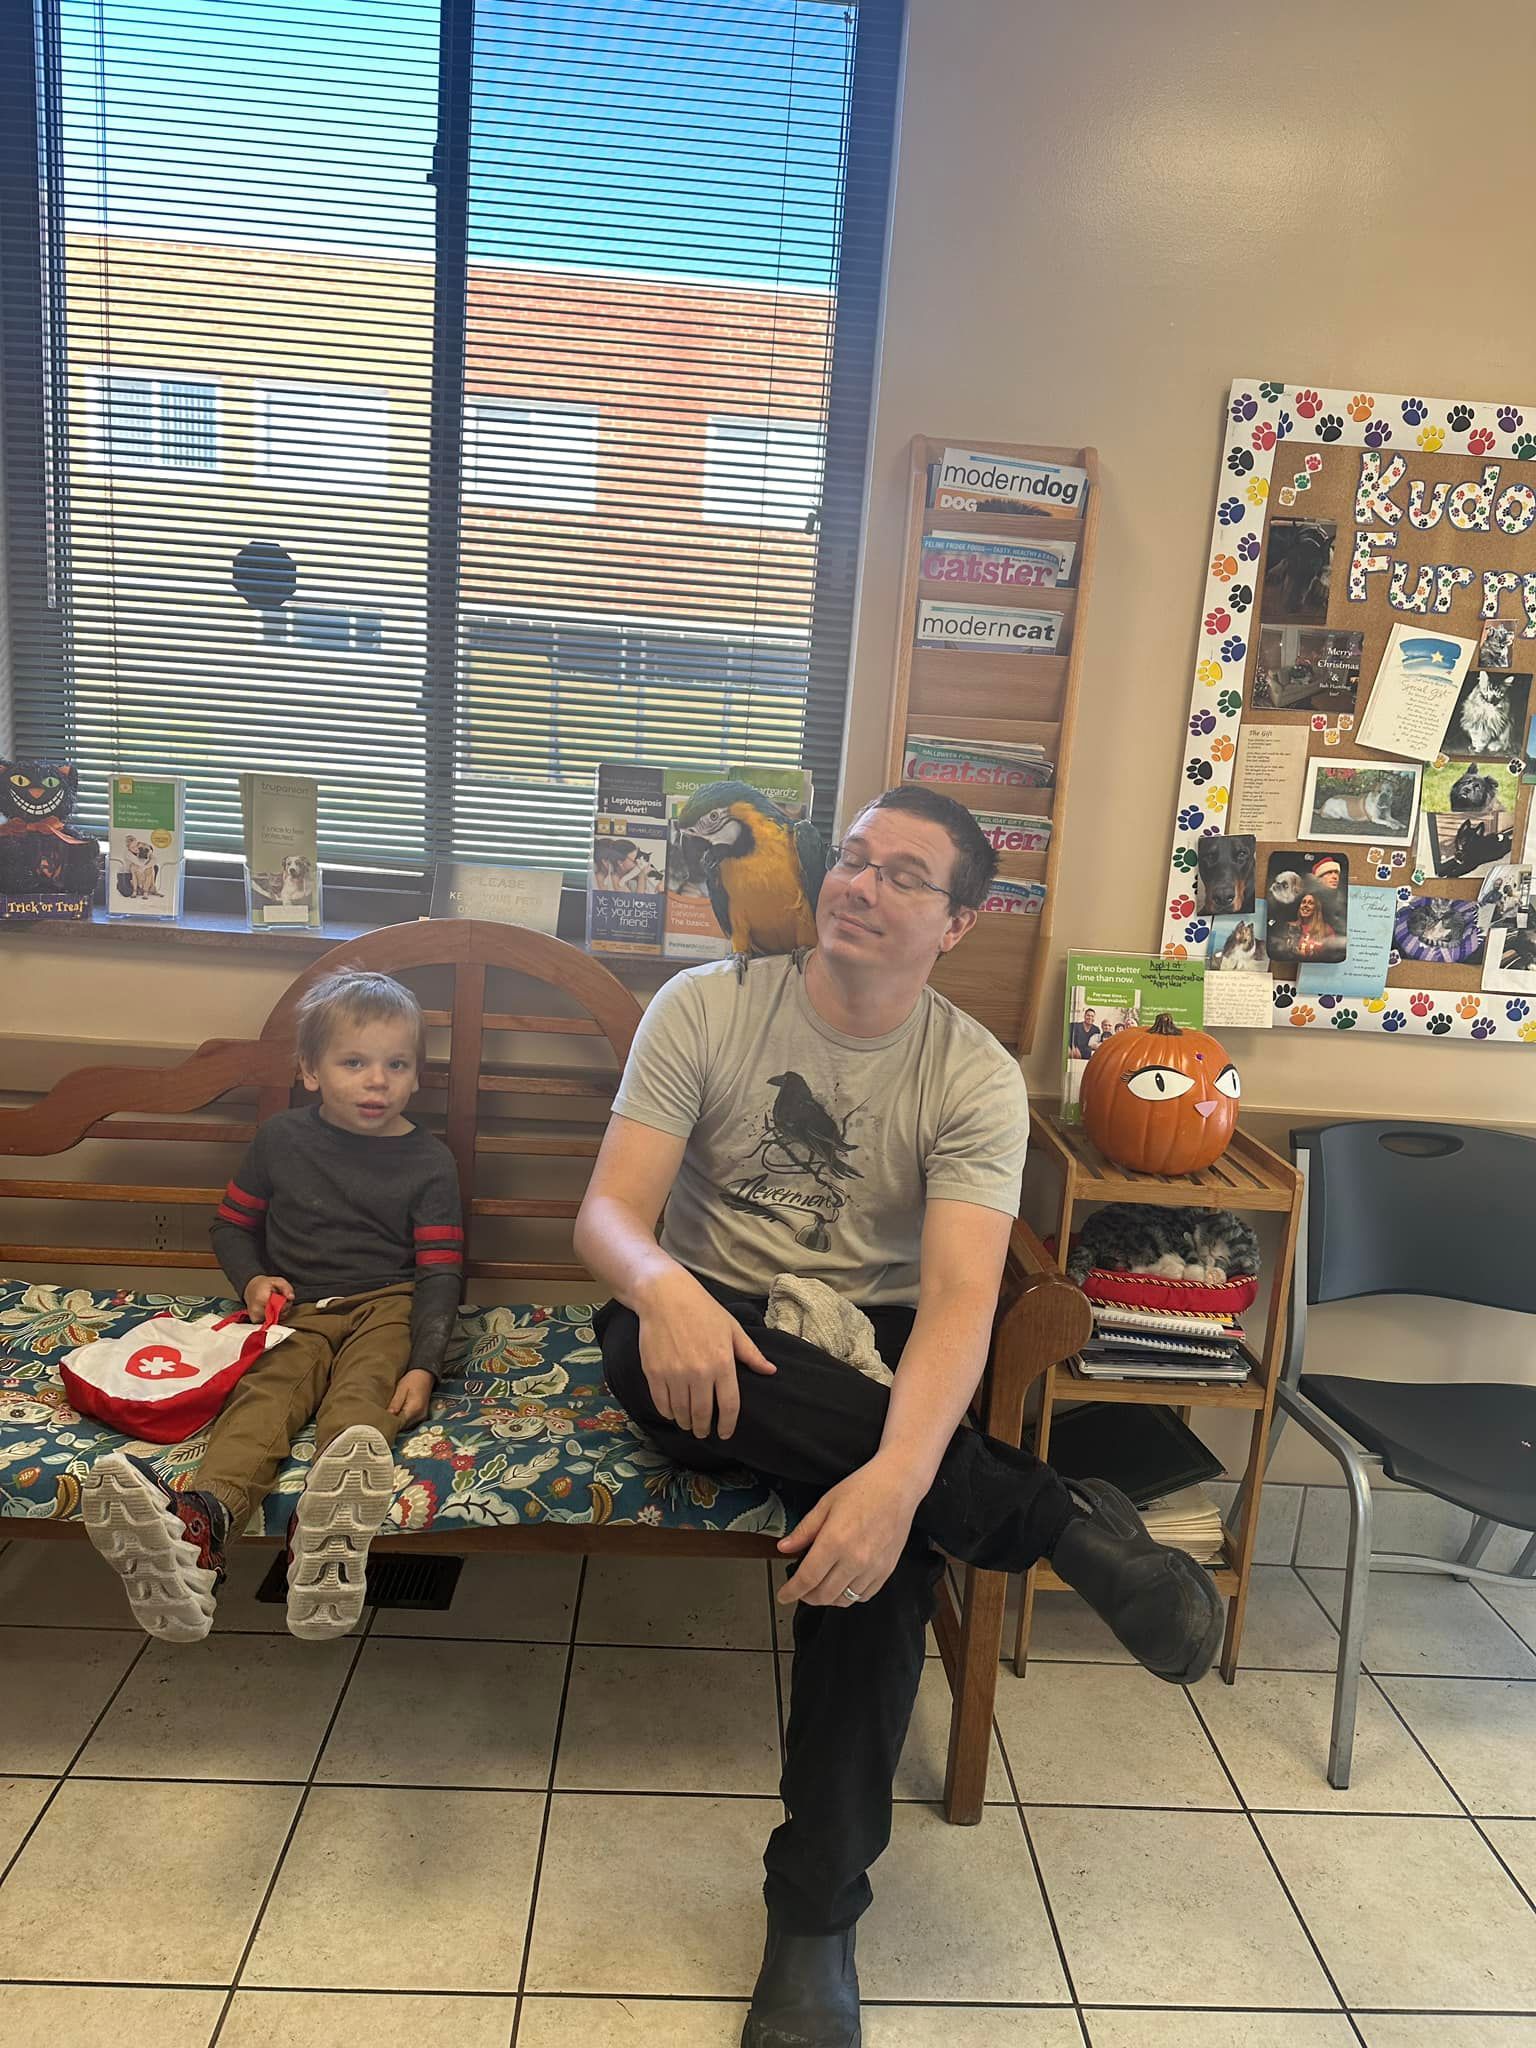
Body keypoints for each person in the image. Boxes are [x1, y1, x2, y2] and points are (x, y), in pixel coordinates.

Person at [573, 784, 1223, 2048]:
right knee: (701, 1379)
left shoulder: (971, 1073)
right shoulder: (704, 1005)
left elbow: (963, 1300)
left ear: (959, 921)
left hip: (860, 1348)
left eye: (904, 875)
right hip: (690, 1323)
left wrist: (890, 1477)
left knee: (887, 1537)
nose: (860, 885)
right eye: (854, 859)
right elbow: (607, 1216)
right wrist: (665, 1290)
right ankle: (1061, 1521)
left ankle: (813, 1920)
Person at [81, 968, 464, 1644]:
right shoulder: (280, 1141)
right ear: (310, 1072)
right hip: (299, 1310)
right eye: (355, 1062)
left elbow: (438, 1272)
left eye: (396, 1064)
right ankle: (201, 1527)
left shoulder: (429, 1162)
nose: (378, 1080)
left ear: (415, 1076)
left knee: (363, 1400)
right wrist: (255, 1283)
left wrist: (425, 1366)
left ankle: (324, 1528)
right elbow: (231, 1226)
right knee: (264, 1400)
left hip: (388, 1305)